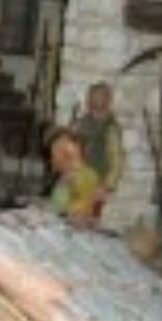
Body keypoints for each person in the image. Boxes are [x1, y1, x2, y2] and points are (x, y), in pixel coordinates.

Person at [71, 82, 125, 213]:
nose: (92, 100)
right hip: (78, 178)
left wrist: (107, 186)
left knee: (88, 217)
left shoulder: (110, 128)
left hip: (97, 183)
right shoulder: (82, 122)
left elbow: (116, 159)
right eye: (91, 97)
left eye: (98, 97)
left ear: (107, 101)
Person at [45, 129, 104, 224]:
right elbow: (58, 206)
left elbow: (61, 208)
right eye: (56, 149)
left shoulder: (86, 175)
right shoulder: (66, 176)